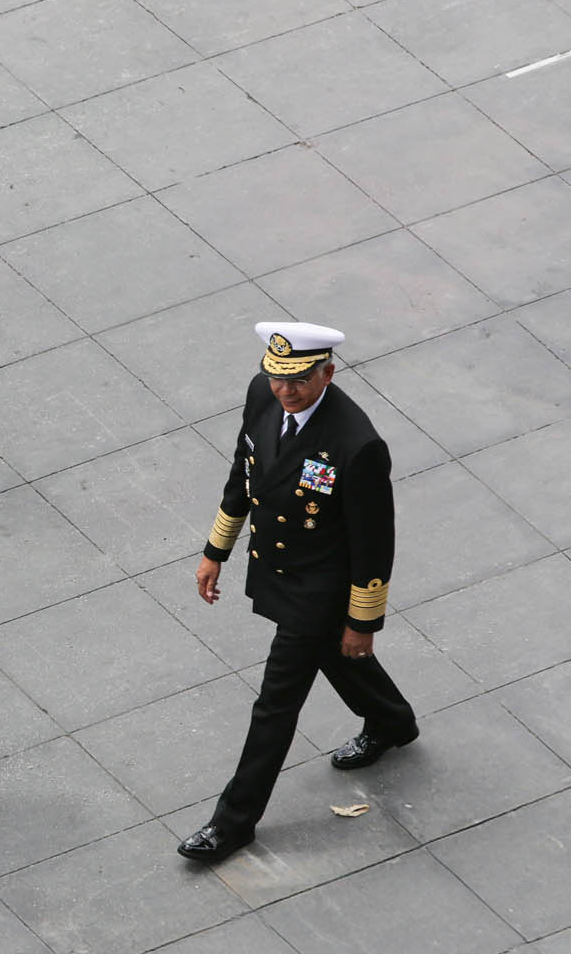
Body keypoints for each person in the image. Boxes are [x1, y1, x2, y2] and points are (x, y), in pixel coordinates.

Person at [177, 322, 419, 863]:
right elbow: (244, 473)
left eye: (300, 381)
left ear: (328, 373)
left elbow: (375, 543)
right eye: (277, 377)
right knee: (331, 657)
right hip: (280, 566)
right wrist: (216, 548)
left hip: (322, 587)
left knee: (275, 703)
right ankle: (391, 720)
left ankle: (233, 822)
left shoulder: (357, 445)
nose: (285, 391)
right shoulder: (261, 395)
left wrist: (361, 622)